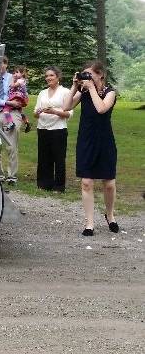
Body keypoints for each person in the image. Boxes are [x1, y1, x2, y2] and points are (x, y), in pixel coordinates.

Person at [63, 60, 119, 237]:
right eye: (84, 74)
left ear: (100, 74)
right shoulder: (83, 91)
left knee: (109, 184)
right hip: (86, 140)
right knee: (86, 182)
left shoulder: (110, 93)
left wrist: (92, 89)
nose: (87, 77)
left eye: (90, 74)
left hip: (104, 141)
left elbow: (101, 109)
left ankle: (110, 215)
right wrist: (74, 87)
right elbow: (65, 107)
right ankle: (89, 223)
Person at [33, 67, 73, 192]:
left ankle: (59, 186)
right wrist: (38, 112)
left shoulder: (65, 92)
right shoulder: (42, 93)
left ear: (58, 77)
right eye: (47, 76)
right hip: (42, 128)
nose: (48, 78)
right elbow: (35, 113)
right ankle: (44, 184)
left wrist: (54, 111)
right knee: (43, 157)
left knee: (59, 158)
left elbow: (69, 113)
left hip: (58, 129)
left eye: (51, 75)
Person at [2, 65, 30, 133]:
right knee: (20, 111)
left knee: (6, 109)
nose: (15, 74)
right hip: (20, 98)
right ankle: (27, 122)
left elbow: (12, 86)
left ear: (22, 73)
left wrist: (12, 80)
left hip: (17, 97)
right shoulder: (22, 80)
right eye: (14, 73)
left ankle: (11, 123)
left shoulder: (20, 80)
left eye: (17, 72)